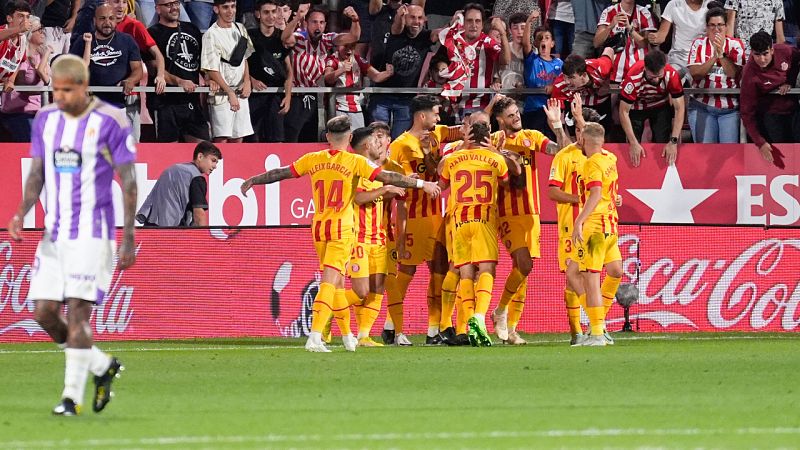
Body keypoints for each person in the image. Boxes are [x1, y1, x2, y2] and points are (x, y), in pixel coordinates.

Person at [240, 115, 441, 353]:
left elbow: (281, 173)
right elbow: (389, 177)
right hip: (342, 230)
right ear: (349, 138)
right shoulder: (354, 161)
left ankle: (347, 335)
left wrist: (254, 179)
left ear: (327, 137)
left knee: (336, 285)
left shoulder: (313, 159)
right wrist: (421, 185)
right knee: (329, 282)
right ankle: (315, 336)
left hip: (319, 228)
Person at [7, 54, 137, 415]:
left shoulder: (111, 121)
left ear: (83, 86)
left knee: (78, 314)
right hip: (55, 235)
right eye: (55, 90)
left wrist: (127, 235)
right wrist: (20, 212)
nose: (60, 97)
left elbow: (128, 180)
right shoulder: (46, 119)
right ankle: (100, 366)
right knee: (44, 313)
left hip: (93, 236)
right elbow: (37, 173)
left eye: (66, 90)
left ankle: (71, 399)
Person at [383, 95, 460, 346]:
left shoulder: (437, 134)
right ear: (422, 116)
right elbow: (395, 183)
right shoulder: (400, 145)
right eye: (436, 114)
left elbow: (465, 129)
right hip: (413, 215)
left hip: (435, 216)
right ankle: (391, 327)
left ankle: (432, 331)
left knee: (439, 271)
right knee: (406, 270)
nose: (439, 118)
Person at [489, 95, 566, 345]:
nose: (516, 118)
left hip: (531, 212)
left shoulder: (531, 137)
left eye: (517, 113)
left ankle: (510, 327)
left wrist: (557, 126)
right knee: (523, 265)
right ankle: (499, 312)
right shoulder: (492, 141)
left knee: (523, 270)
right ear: (500, 120)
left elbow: (561, 151)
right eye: (510, 115)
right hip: (505, 212)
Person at [438, 121, 512, 347]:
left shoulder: (452, 159)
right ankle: (478, 316)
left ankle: (468, 320)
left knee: (466, 272)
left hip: (459, 221)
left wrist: (460, 149)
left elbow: (441, 184)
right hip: (484, 219)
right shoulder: (496, 160)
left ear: (468, 137)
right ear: (488, 136)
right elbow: (507, 184)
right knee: (487, 268)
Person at [547, 96, 603, 345]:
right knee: (572, 277)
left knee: (591, 275)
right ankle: (579, 330)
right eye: (580, 129)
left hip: (596, 224)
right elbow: (552, 192)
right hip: (571, 223)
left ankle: (594, 326)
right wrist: (580, 198)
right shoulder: (564, 156)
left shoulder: (599, 156)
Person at [344, 126, 405, 347]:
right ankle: (327, 310)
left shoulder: (379, 170)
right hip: (359, 238)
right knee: (360, 291)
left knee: (378, 287)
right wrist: (384, 190)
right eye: (375, 140)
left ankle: (363, 335)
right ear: (366, 145)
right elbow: (358, 199)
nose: (380, 143)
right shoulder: (357, 168)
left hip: (379, 238)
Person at [571, 122, 622, 347]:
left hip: (595, 229)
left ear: (583, 141)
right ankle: (599, 324)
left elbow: (596, 193)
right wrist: (615, 200)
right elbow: (610, 191)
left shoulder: (591, 163)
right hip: (611, 226)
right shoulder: (610, 159)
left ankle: (598, 332)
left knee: (589, 280)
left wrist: (579, 221)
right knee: (615, 271)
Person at [281, 4, 361, 142]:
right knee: (292, 138)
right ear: (306, 23)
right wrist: (297, 18)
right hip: (294, 95)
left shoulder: (327, 39)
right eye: (314, 22)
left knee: (310, 138)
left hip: (312, 95)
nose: (318, 26)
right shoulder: (299, 38)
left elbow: (353, 37)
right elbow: (285, 38)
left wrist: (355, 20)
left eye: (321, 22)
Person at [70, 4, 143, 137]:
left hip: (118, 107)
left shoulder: (127, 41)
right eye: (102, 18)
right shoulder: (83, 41)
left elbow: (137, 69)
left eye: (111, 18)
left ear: (116, 20)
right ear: (94, 20)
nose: (107, 23)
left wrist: (131, 80)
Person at [369, 3, 438, 139]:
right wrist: (400, 15)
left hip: (406, 99)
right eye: (412, 17)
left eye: (419, 18)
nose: (416, 21)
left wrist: (454, 23)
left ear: (425, 20)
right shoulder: (396, 32)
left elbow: (440, 33)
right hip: (382, 95)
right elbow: (397, 26)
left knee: (400, 141)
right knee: (377, 139)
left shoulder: (426, 37)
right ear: (405, 18)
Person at [149, 0, 211, 142]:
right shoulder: (152, 33)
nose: (174, 8)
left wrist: (208, 77)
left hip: (191, 101)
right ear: (158, 9)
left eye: (176, 3)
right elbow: (154, 69)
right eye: (168, 5)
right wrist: (179, 81)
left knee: (204, 151)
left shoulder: (192, 29)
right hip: (165, 103)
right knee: (168, 154)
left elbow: (202, 60)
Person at [109, 0, 167, 141]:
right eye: (117, 2)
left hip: (129, 94)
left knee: (131, 145)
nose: (121, 6)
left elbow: (158, 55)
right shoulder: (99, 25)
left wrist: (160, 76)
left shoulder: (135, 26)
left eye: (124, 2)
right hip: (103, 94)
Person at [739, 30, 800, 164]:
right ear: (752, 53)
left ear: (772, 50)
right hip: (770, 115)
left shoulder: (786, 51)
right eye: (757, 55)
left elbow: (796, 60)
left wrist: (789, 80)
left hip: (794, 110)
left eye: (765, 54)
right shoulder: (749, 74)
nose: (762, 59)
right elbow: (746, 113)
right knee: (783, 157)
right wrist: (759, 142)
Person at [438, 3, 509, 117]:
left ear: (482, 25)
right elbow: (438, 57)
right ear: (463, 23)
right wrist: (451, 24)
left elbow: (505, 60)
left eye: (478, 21)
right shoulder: (454, 40)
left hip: (479, 107)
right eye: (469, 21)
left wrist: (503, 33)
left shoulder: (487, 42)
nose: (474, 25)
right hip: (452, 107)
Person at [687, 7, 746, 143]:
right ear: (707, 28)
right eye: (712, 25)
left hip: (729, 109)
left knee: (728, 155)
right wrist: (714, 56)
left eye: (720, 25)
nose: (716, 29)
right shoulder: (698, 44)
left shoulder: (736, 44)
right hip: (701, 106)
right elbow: (695, 74)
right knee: (705, 154)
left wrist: (722, 55)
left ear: (726, 26)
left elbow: (733, 74)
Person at [619, 49, 685, 167]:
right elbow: (623, 111)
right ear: (645, 68)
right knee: (633, 143)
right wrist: (633, 142)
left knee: (662, 139)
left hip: (660, 105)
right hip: (636, 107)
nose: (655, 80)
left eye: (659, 75)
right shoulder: (633, 77)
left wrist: (673, 141)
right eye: (651, 76)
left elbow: (679, 108)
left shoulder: (672, 75)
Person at [201, 0, 255, 143]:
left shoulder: (240, 28)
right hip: (221, 95)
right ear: (216, 9)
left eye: (233, 6)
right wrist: (229, 92)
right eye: (225, 7)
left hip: (240, 92)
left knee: (238, 138)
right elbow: (211, 68)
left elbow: (244, 58)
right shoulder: (211, 34)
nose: (230, 11)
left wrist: (247, 80)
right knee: (222, 139)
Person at [136, 141, 221, 227]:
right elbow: (199, 216)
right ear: (200, 156)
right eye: (213, 160)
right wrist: (203, 239)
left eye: (216, 163)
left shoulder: (171, 169)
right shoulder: (197, 178)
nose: (215, 166)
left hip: (150, 228)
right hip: (172, 232)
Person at [247, 0, 292, 143]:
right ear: (258, 14)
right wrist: (251, 80)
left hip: (276, 97)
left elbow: (289, 71)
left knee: (277, 141)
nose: (271, 16)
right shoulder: (249, 36)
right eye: (266, 12)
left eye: (274, 11)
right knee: (253, 141)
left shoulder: (282, 37)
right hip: (254, 97)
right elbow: (241, 64)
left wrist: (288, 96)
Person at [0, 15, 49, 142]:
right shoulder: (20, 56)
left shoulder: (42, 56)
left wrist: (44, 59)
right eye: (39, 29)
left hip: (38, 112)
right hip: (18, 112)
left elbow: (49, 83)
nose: (43, 31)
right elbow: (22, 85)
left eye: (42, 28)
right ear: (29, 34)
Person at [324, 42, 393, 129]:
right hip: (337, 107)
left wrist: (387, 73)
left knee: (359, 138)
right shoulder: (332, 59)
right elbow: (327, 78)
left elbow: (376, 77)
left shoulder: (358, 60)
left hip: (356, 107)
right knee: (340, 138)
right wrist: (341, 70)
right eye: (345, 46)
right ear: (338, 46)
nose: (348, 49)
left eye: (351, 46)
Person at [550, 47, 615, 137]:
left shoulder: (600, 68)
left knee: (601, 134)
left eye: (571, 77)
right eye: (565, 77)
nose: (567, 81)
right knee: (573, 134)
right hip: (574, 102)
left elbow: (609, 50)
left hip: (599, 100)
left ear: (583, 75)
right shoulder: (559, 85)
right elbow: (553, 117)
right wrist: (563, 138)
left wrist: (608, 80)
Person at [593, 0, 655, 83]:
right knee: (614, 95)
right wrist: (610, 26)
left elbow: (645, 44)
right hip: (614, 70)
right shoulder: (608, 11)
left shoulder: (644, 12)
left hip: (638, 71)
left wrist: (629, 28)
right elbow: (596, 43)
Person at [647, 0, 709, 77]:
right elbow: (661, 35)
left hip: (702, 60)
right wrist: (654, 38)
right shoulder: (674, 4)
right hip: (678, 59)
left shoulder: (711, 5)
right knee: (668, 78)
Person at [522, 23, 563, 139]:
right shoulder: (532, 59)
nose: (543, 41)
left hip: (554, 111)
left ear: (553, 43)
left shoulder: (560, 64)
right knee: (533, 146)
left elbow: (566, 83)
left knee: (554, 144)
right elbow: (525, 43)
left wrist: (554, 87)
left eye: (547, 38)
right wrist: (529, 21)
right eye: (540, 38)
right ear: (535, 43)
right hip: (533, 110)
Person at [0, 0, 31, 90]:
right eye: (21, 16)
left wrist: (11, 80)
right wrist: (19, 29)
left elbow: (18, 62)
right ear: (9, 18)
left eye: (27, 17)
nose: (25, 20)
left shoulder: (23, 38)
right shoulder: (3, 32)